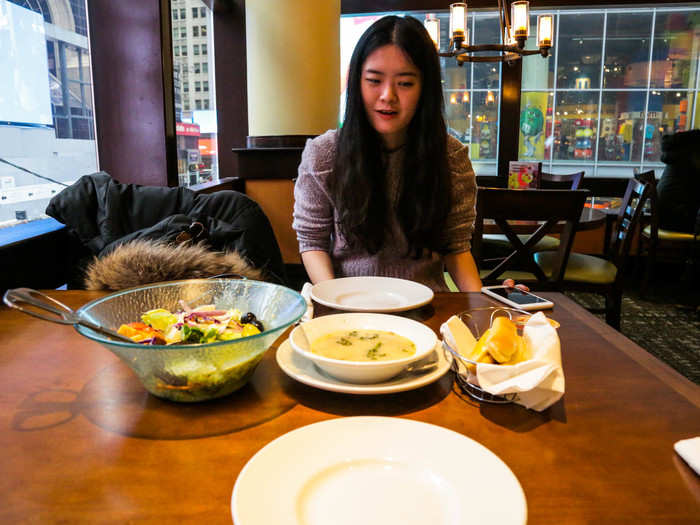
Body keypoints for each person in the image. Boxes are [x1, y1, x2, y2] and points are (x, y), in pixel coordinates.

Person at [293, 15, 509, 292]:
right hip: (349, 306)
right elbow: (312, 242)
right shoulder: (323, 155)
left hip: (428, 309)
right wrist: (336, 298)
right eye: (374, 80)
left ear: (425, 89)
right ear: (357, 84)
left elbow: (456, 247)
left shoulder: (450, 157)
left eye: (405, 83)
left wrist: (482, 305)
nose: (387, 95)